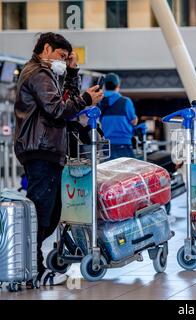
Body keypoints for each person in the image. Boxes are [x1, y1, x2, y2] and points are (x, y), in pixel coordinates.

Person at [14, 32, 103, 286]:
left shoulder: (46, 74)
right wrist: (85, 99)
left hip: (46, 149)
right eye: (61, 56)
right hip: (40, 149)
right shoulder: (38, 74)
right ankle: (33, 270)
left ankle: (31, 267)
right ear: (47, 48)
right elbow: (58, 109)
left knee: (50, 213)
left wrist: (73, 74)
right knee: (42, 213)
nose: (63, 61)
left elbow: (65, 102)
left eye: (67, 58)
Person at [98, 73, 138, 160]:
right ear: (118, 85)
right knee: (128, 172)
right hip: (124, 143)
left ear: (105, 86)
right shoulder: (125, 102)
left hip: (106, 145)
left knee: (109, 173)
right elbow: (133, 121)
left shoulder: (100, 102)